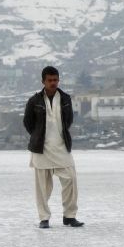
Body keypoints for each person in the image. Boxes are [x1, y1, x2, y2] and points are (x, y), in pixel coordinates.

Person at [23, 66, 84, 229]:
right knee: (42, 187)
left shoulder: (65, 99)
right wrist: (38, 135)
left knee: (70, 179)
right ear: (43, 81)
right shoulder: (34, 101)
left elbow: (68, 120)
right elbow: (27, 123)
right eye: (49, 80)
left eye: (55, 80)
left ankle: (69, 216)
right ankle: (44, 218)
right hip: (41, 149)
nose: (53, 83)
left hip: (61, 146)